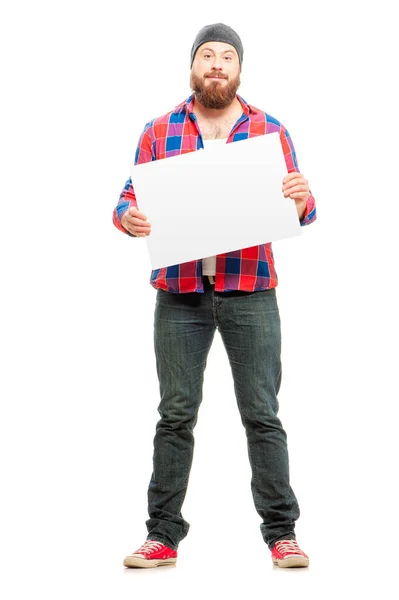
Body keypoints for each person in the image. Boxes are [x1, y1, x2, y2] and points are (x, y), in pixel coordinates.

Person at [113, 23, 316, 569]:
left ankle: (282, 533)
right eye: (208, 55)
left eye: (228, 56)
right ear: (193, 67)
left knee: (262, 413)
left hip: (251, 290)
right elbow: (127, 200)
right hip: (180, 295)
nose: (218, 64)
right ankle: (162, 536)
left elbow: (301, 205)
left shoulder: (269, 129)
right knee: (175, 415)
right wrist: (128, 218)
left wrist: (301, 198)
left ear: (240, 69)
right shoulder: (158, 131)